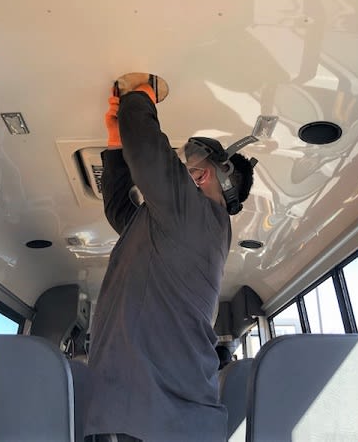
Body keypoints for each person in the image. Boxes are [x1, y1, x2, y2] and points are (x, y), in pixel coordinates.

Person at [84, 77, 256, 442]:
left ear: (216, 177)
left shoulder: (200, 215)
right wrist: (116, 144)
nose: (189, 174)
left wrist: (139, 97)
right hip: (157, 419)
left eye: (196, 169)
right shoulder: (184, 225)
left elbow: (148, 153)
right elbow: (121, 213)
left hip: (157, 417)